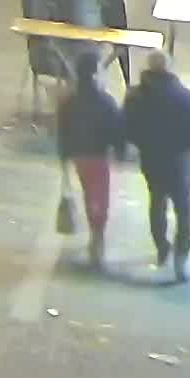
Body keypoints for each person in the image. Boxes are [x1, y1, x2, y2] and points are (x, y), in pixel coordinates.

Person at [124, 59, 190, 280]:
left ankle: (162, 247)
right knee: (184, 210)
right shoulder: (186, 99)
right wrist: (187, 151)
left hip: (152, 160)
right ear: (170, 69)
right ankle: (180, 260)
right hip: (180, 164)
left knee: (157, 201)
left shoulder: (135, 97)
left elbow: (127, 127)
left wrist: (143, 144)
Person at [52, 56, 123, 271]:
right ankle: (97, 236)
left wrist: (64, 157)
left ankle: (95, 233)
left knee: (88, 193)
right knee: (100, 197)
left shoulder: (68, 102)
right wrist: (119, 151)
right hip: (98, 155)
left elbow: (62, 131)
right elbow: (115, 129)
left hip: (78, 155)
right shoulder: (106, 101)